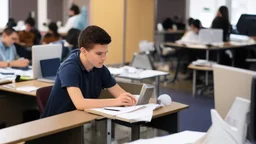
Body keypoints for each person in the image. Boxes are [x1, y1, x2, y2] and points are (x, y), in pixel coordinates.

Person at [41, 25, 136, 118]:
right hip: (56, 125)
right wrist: (117, 101)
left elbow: (120, 94)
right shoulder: (69, 68)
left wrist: (129, 99)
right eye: (99, 54)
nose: (104, 58)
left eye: (105, 53)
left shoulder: (99, 67)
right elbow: (80, 103)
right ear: (84, 51)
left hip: (80, 121)